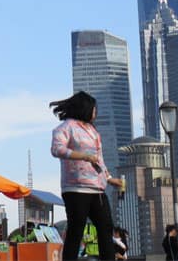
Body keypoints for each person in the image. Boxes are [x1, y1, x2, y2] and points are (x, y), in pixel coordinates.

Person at [50, 91, 122, 261]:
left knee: (105, 227)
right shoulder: (66, 127)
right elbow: (57, 149)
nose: (95, 112)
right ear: (85, 108)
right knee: (76, 229)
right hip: (76, 188)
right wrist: (83, 156)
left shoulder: (93, 131)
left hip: (97, 189)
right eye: (93, 109)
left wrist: (110, 179)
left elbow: (100, 160)